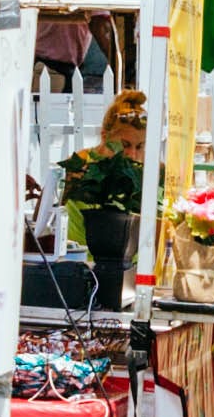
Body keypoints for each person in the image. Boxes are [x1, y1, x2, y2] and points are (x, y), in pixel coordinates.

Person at [61, 89, 151, 284]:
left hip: (132, 275)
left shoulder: (147, 175)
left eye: (139, 146)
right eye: (125, 145)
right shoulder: (80, 168)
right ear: (105, 137)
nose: (132, 155)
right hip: (80, 270)